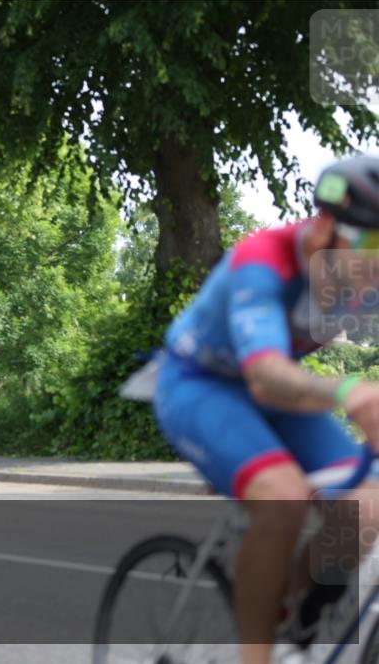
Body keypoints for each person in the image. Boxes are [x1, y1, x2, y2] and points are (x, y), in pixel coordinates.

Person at [152, 155, 379, 664]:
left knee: (367, 508)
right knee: (283, 499)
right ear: (324, 228)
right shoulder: (264, 259)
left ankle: (296, 617)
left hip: (281, 397)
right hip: (201, 385)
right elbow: (265, 372)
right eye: (369, 246)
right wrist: (351, 393)